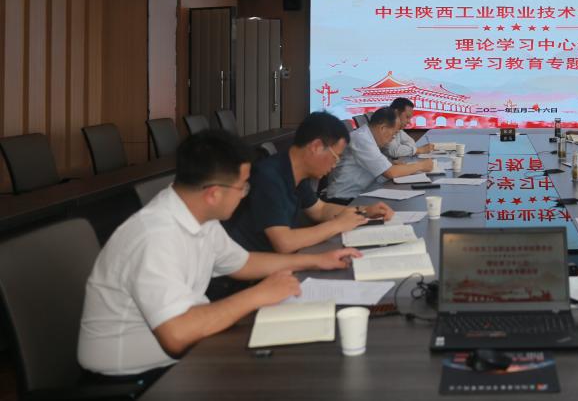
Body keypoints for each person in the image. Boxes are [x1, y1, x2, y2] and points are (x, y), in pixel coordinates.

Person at [78, 130, 362, 377]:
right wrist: (258, 295)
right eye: (243, 187)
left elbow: (243, 263)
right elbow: (176, 334)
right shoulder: (154, 237)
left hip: (187, 352)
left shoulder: (198, 215)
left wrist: (315, 260)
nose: (244, 195)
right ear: (213, 193)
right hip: (138, 378)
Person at [223, 111, 393, 253]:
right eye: (336, 157)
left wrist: (364, 211)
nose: (335, 165)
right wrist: (337, 225)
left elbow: (320, 210)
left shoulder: (295, 171)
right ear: (316, 147)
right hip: (251, 271)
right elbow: (284, 242)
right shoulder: (268, 176)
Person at [324, 106, 433, 200]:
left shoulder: (369, 136)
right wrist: (421, 165)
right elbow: (390, 173)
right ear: (383, 128)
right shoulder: (362, 139)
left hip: (362, 193)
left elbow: (383, 167)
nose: (393, 138)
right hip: (344, 199)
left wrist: (390, 164)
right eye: (394, 134)